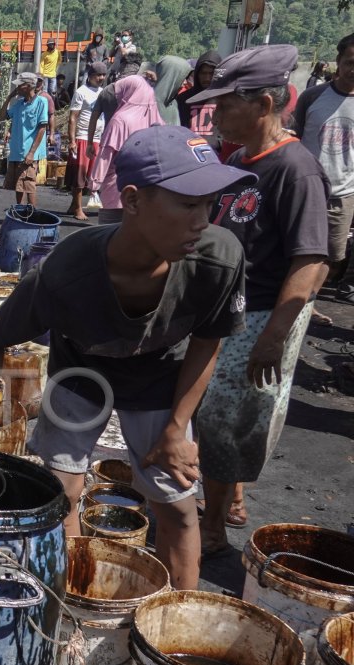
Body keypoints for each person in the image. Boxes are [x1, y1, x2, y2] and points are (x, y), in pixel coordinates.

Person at [0, 126, 254, 590]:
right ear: (134, 200)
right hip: (82, 373)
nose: (203, 220)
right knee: (61, 497)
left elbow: (207, 344)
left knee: (178, 508)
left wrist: (176, 429)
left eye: (210, 204)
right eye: (187, 204)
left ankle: (177, 615)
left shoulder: (218, 258)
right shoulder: (67, 271)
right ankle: (73, 606)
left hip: (162, 375)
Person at [189, 45, 330, 552]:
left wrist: (273, 338)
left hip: (262, 315)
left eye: (227, 104)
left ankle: (211, 534)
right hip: (227, 312)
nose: (218, 113)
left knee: (229, 422)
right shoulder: (237, 160)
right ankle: (229, 499)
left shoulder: (295, 169)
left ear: (264, 105)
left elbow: (311, 261)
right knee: (219, 416)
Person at [293, 32, 354, 303]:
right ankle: (289, 302)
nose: (353, 70)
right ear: (338, 61)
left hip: (344, 193)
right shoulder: (312, 97)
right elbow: (295, 136)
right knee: (294, 249)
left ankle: (306, 303)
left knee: (332, 256)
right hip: (307, 189)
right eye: (350, 62)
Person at [89, 75, 163, 224]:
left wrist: (94, 185)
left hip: (116, 189)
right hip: (144, 190)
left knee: (110, 234)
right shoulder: (155, 118)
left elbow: (105, 155)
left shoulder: (120, 120)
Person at [65, 62, 108, 220]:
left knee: (92, 174)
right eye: (98, 75)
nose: (101, 78)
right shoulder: (81, 92)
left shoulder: (104, 92)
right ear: (90, 76)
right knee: (79, 174)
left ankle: (73, 205)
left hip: (97, 138)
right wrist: (72, 140)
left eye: (103, 75)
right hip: (83, 137)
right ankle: (78, 209)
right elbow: (72, 117)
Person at [0, 72, 48, 206]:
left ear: (28, 86)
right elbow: (2, 117)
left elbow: (42, 128)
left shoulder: (41, 102)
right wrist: (9, 97)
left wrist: (31, 153)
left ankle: (33, 216)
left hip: (29, 152)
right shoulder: (19, 104)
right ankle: (21, 214)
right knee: (19, 187)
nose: (18, 88)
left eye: (20, 85)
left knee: (29, 185)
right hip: (16, 152)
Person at [177, 50, 222, 141]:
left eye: (211, 73)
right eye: (203, 73)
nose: (207, 78)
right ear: (197, 74)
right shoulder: (184, 99)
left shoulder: (226, 99)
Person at [154, 56, 192, 125]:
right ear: (171, 77)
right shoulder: (149, 104)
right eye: (182, 77)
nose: (185, 82)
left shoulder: (173, 103)